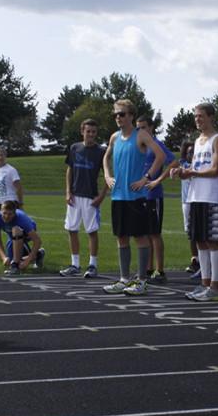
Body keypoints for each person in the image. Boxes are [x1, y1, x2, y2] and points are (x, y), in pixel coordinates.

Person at [102, 99, 165, 295]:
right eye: (115, 115)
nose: (118, 118)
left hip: (136, 197)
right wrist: (107, 175)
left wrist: (146, 178)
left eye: (121, 114)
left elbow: (160, 156)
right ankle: (123, 278)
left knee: (140, 237)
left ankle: (142, 280)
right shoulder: (113, 137)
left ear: (130, 115)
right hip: (118, 196)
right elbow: (106, 157)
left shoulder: (141, 135)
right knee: (121, 238)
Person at [178, 103, 218, 302]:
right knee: (199, 240)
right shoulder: (198, 141)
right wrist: (183, 173)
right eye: (196, 116)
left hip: (211, 196)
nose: (197, 119)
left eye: (201, 116)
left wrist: (192, 172)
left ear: (211, 117)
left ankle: (215, 285)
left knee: (211, 240)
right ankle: (205, 283)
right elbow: (195, 168)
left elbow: (215, 170)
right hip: (195, 196)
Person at [60, 119, 107, 278]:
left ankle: (92, 265)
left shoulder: (101, 151)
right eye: (88, 131)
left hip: (91, 197)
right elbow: (70, 170)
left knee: (91, 231)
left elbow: (108, 176)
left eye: (94, 132)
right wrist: (68, 191)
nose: (91, 134)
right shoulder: (75, 148)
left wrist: (101, 196)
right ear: (82, 131)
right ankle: (75, 264)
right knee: (72, 229)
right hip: (74, 196)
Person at [137, 115, 177, 284]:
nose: (141, 131)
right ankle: (148, 268)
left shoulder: (157, 145)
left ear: (151, 128)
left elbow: (174, 162)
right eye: (138, 128)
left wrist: (158, 180)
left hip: (154, 196)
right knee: (144, 234)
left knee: (154, 234)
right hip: (139, 196)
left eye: (144, 127)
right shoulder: (139, 147)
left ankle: (160, 270)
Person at [0, 200, 45, 275]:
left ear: (15, 213)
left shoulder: (22, 219)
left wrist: (27, 261)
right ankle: (38, 255)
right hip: (12, 237)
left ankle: (15, 265)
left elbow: (37, 241)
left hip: (26, 233)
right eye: (4, 213)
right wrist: (4, 257)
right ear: (0, 211)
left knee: (16, 229)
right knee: (10, 261)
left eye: (10, 214)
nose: (6, 216)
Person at [178, 141, 200, 274]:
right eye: (188, 152)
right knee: (190, 233)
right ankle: (195, 259)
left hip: (197, 200)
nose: (190, 154)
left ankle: (202, 260)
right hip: (186, 202)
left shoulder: (199, 166)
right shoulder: (183, 165)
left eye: (193, 152)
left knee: (199, 231)